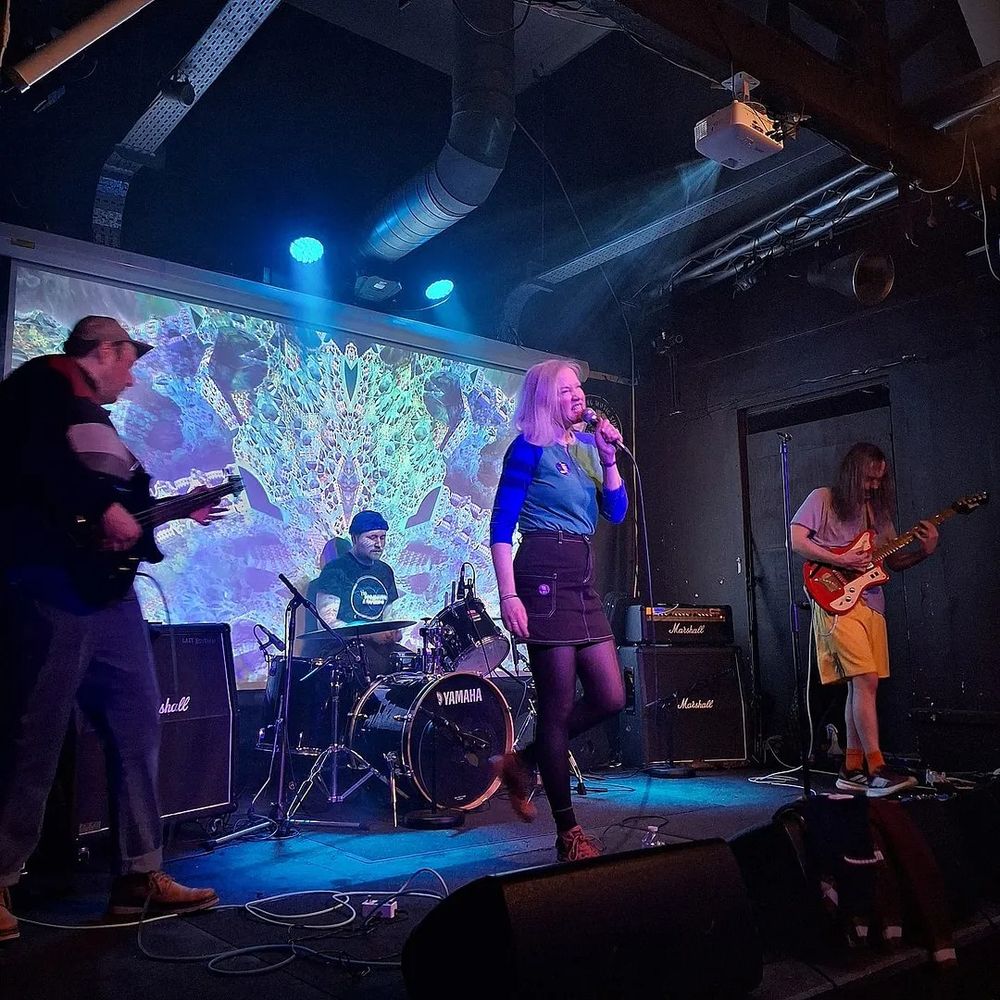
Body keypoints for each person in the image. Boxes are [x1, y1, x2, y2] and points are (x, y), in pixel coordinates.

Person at [0, 316, 224, 943]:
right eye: (128, 360)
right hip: (51, 588)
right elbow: (33, 459)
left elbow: (127, 523)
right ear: (103, 350)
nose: (131, 375)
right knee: (33, 736)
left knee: (137, 727)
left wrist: (178, 512)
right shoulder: (44, 382)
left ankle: (140, 876)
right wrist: (101, 506)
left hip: (109, 598)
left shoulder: (103, 431)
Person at [489, 359, 628, 862]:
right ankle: (568, 834)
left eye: (578, 389)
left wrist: (610, 458)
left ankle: (522, 762)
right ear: (546, 398)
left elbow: (615, 511)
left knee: (611, 696)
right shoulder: (527, 449)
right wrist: (508, 595)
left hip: (581, 574)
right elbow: (501, 527)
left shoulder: (589, 447)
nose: (577, 396)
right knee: (557, 706)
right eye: (565, 390)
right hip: (542, 571)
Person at [791, 442, 939, 798]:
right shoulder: (823, 498)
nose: (874, 485)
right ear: (853, 472)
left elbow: (889, 562)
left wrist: (924, 550)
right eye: (869, 478)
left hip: (872, 605)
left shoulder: (877, 514)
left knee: (863, 686)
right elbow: (796, 541)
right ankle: (877, 769)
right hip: (836, 603)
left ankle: (851, 768)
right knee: (866, 679)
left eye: (879, 480)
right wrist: (841, 561)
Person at [303, 510, 407, 678]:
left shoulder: (385, 571)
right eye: (372, 538)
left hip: (378, 647)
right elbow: (326, 623)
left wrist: (394, 632)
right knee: (378, 668)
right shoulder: (335, 570)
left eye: (382, 537)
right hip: (341, 648)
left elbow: (389, 617)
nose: (379, 544)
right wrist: (371, 634)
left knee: (412, 666)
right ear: (355, 538)